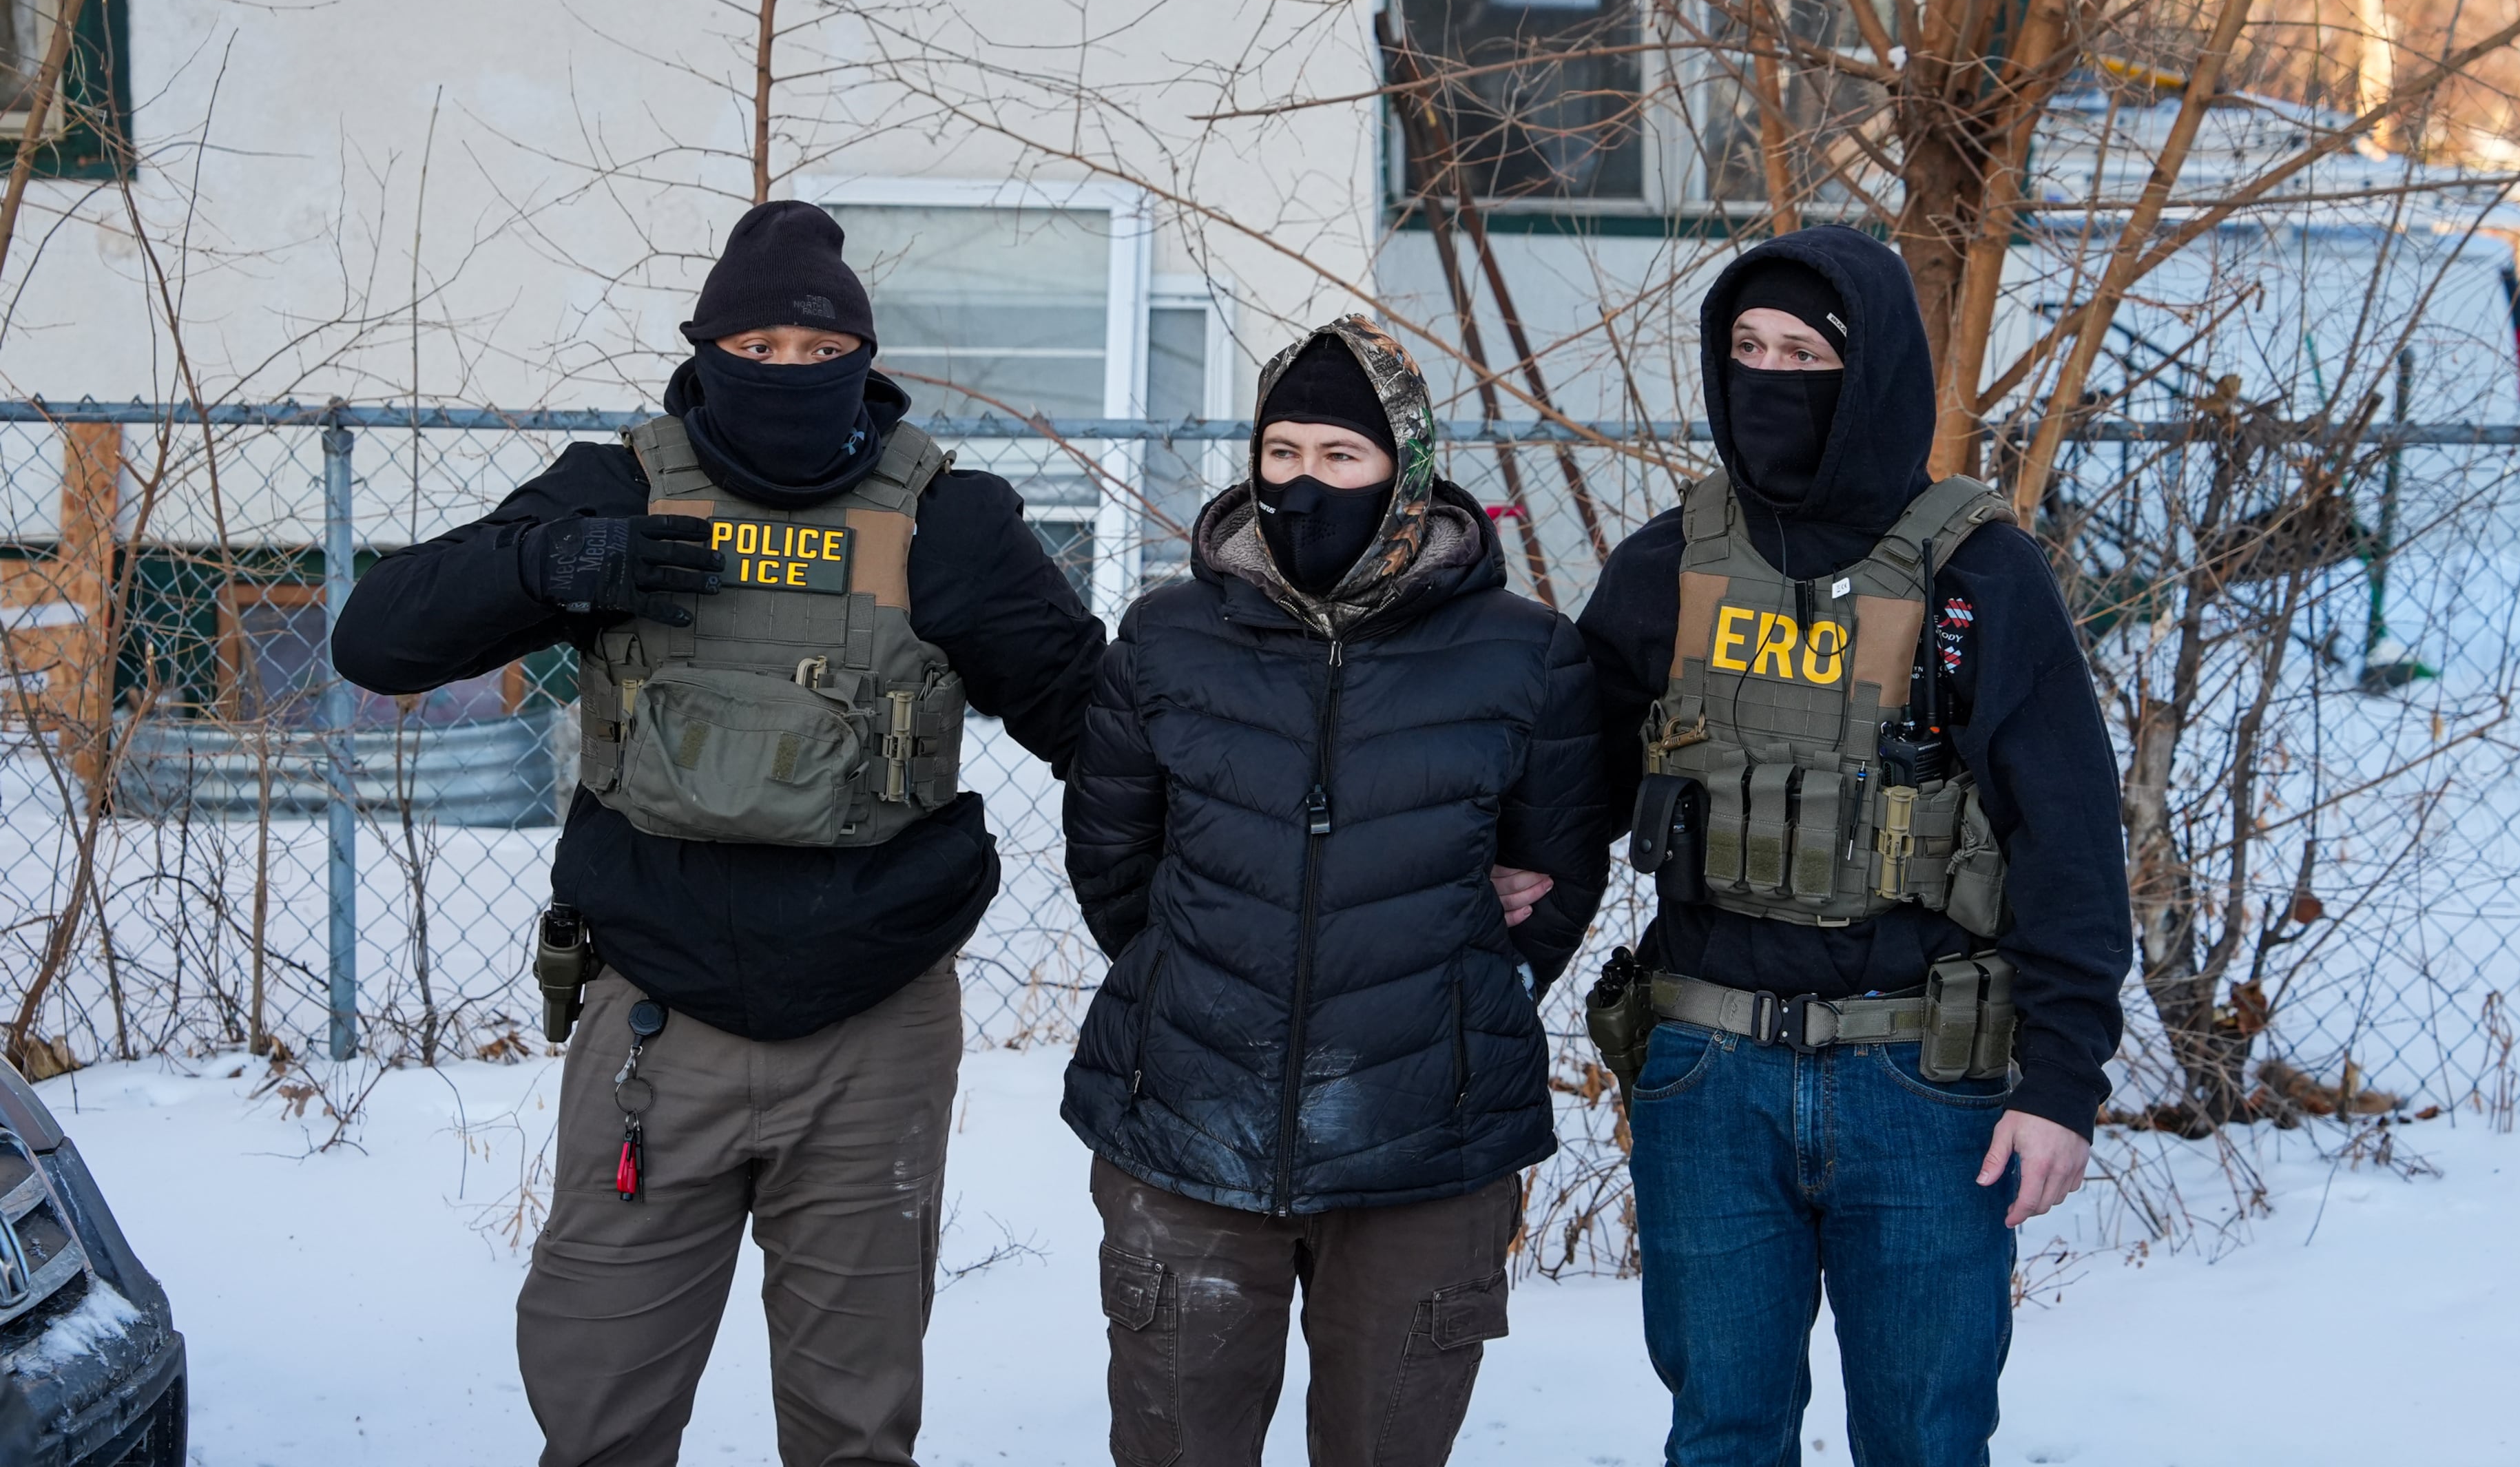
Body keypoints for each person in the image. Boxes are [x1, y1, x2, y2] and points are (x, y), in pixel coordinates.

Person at [331, 200, 1104, 1467]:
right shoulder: (617, 489)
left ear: (864, 360)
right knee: (601, 1406)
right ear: (703, 353)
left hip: (874, 1026)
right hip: (657, 1010)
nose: (787, 375)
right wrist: (560, 564)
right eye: (755, 348)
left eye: (818, 352)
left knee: (855, 1426)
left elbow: (1095, 726)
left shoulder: (948, 521)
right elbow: (379, 638)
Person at [1576, 226, 2131, 1465]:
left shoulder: (1980, 575)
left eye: (1805, 353)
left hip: (1923, 1084)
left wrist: (2062, 1083)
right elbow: (1563, 799)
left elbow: (2071, 845)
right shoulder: (1670, 564)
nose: (1770, 377)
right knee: (1722, 1433)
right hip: (1706, 1077)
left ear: (1870, 373)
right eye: (1747, 349)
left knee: (1926, 1440)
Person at [1059, 316, 1607, 1466]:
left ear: (1404, 473)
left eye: (1342, 458)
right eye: (1283, 454)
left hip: (1425, 1135)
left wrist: (1453, 988)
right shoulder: (1165, 640)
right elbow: (1113, 861)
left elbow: (1554, 879)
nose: (1306, 483)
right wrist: (1197, 974)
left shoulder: (1525, 654)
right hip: (1191, 1125)